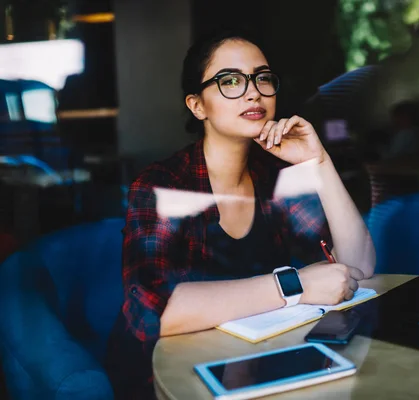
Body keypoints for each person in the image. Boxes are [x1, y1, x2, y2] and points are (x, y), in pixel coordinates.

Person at [104, 30, 376, 399]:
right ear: (197, 105)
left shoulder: (276, 177)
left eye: (263, 78)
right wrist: (296, 286)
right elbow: (152, 313)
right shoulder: (161, 184)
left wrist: (319, 162)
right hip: (167, 375)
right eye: (230, 80)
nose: (253, 92)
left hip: (257, 365)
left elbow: (358, 268)